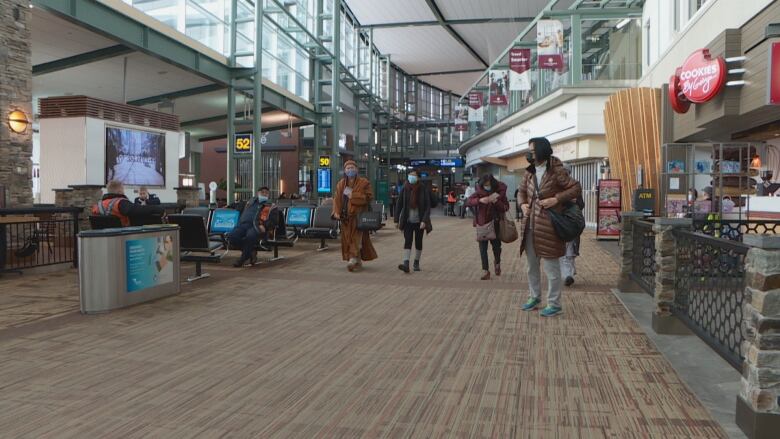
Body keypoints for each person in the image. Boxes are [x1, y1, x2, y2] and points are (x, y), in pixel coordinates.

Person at [518, 137, 582, 317]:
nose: (528, 153)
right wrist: (522, 204)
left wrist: (556, 199)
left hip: (549, 227)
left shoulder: (556, 170)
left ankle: (554, 304)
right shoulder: (529, 172)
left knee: (552, 269)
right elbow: (521, 191)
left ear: (541, 151)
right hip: (529, 226)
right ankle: (534, 297)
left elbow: (576, 188)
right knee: (531, 266)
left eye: (531, 150)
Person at [332, 160, 378, 271]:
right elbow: (336, 199)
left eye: (352, 167)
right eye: (348, 168)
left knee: (356, 238)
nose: (350, 170)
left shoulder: (364, 182)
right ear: (344, 170)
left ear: (356, 169)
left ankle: (352, 259)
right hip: (345, 218)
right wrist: (336, 212)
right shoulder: (341, 184)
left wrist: (353, 195)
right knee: (348, 239)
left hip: (359, 217)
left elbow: (368, 197)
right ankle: (357, 260)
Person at [467, 174, 509, 280]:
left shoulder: (500, 192)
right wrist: (479, 201)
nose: (487, 186)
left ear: (493, 184)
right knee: (482, 249)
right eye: (485, 185)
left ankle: (497, 263)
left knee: (496, 247)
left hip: (495, 224)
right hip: (482, 224)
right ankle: (485, 270)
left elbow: (505, 207)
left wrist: (496, 201)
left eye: (489, 185)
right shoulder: (478, 193)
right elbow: (468, 202)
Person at [227, 187, 277, 267]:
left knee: (250, 236)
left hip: (257, 226)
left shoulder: (271, 206)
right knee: (232, 237)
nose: (264, 194)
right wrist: (228, 206)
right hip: (244, 224)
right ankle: (250, 251)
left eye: (266, 193)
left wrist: (265, 226)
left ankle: (242, 259)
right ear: (258, 193)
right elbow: (238, 205)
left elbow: (274, 221)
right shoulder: (250, 202)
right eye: (262, 192)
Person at [394, 169, 432, 273]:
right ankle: (406, 263)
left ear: (418, 178)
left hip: (420, 221)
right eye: (410, 175)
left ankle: (416, 262)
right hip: (407, 220)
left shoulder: (423, 188)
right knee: (408, 240)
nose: (411, 177)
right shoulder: (405, 188)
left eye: (413, 175)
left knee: (418, 242)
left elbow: (427, 206)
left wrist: (424, 220)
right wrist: (396, 220)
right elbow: (399, 204)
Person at [92, 180, 164, 227]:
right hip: (124, 236)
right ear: (120, 190)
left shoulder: (99, 205)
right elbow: (137, 210)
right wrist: (158, 209)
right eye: (123, 189)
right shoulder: (120, 202)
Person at [559, 163, 585, 287]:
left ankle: (568, 273)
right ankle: (567, 275)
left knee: (571, 250)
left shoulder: (575, 186)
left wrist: (575, 202)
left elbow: (581, 204)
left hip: (573, 223)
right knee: (563, 250)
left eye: (567, 172)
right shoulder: (555, 187)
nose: (565, 175)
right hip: (559, 222)